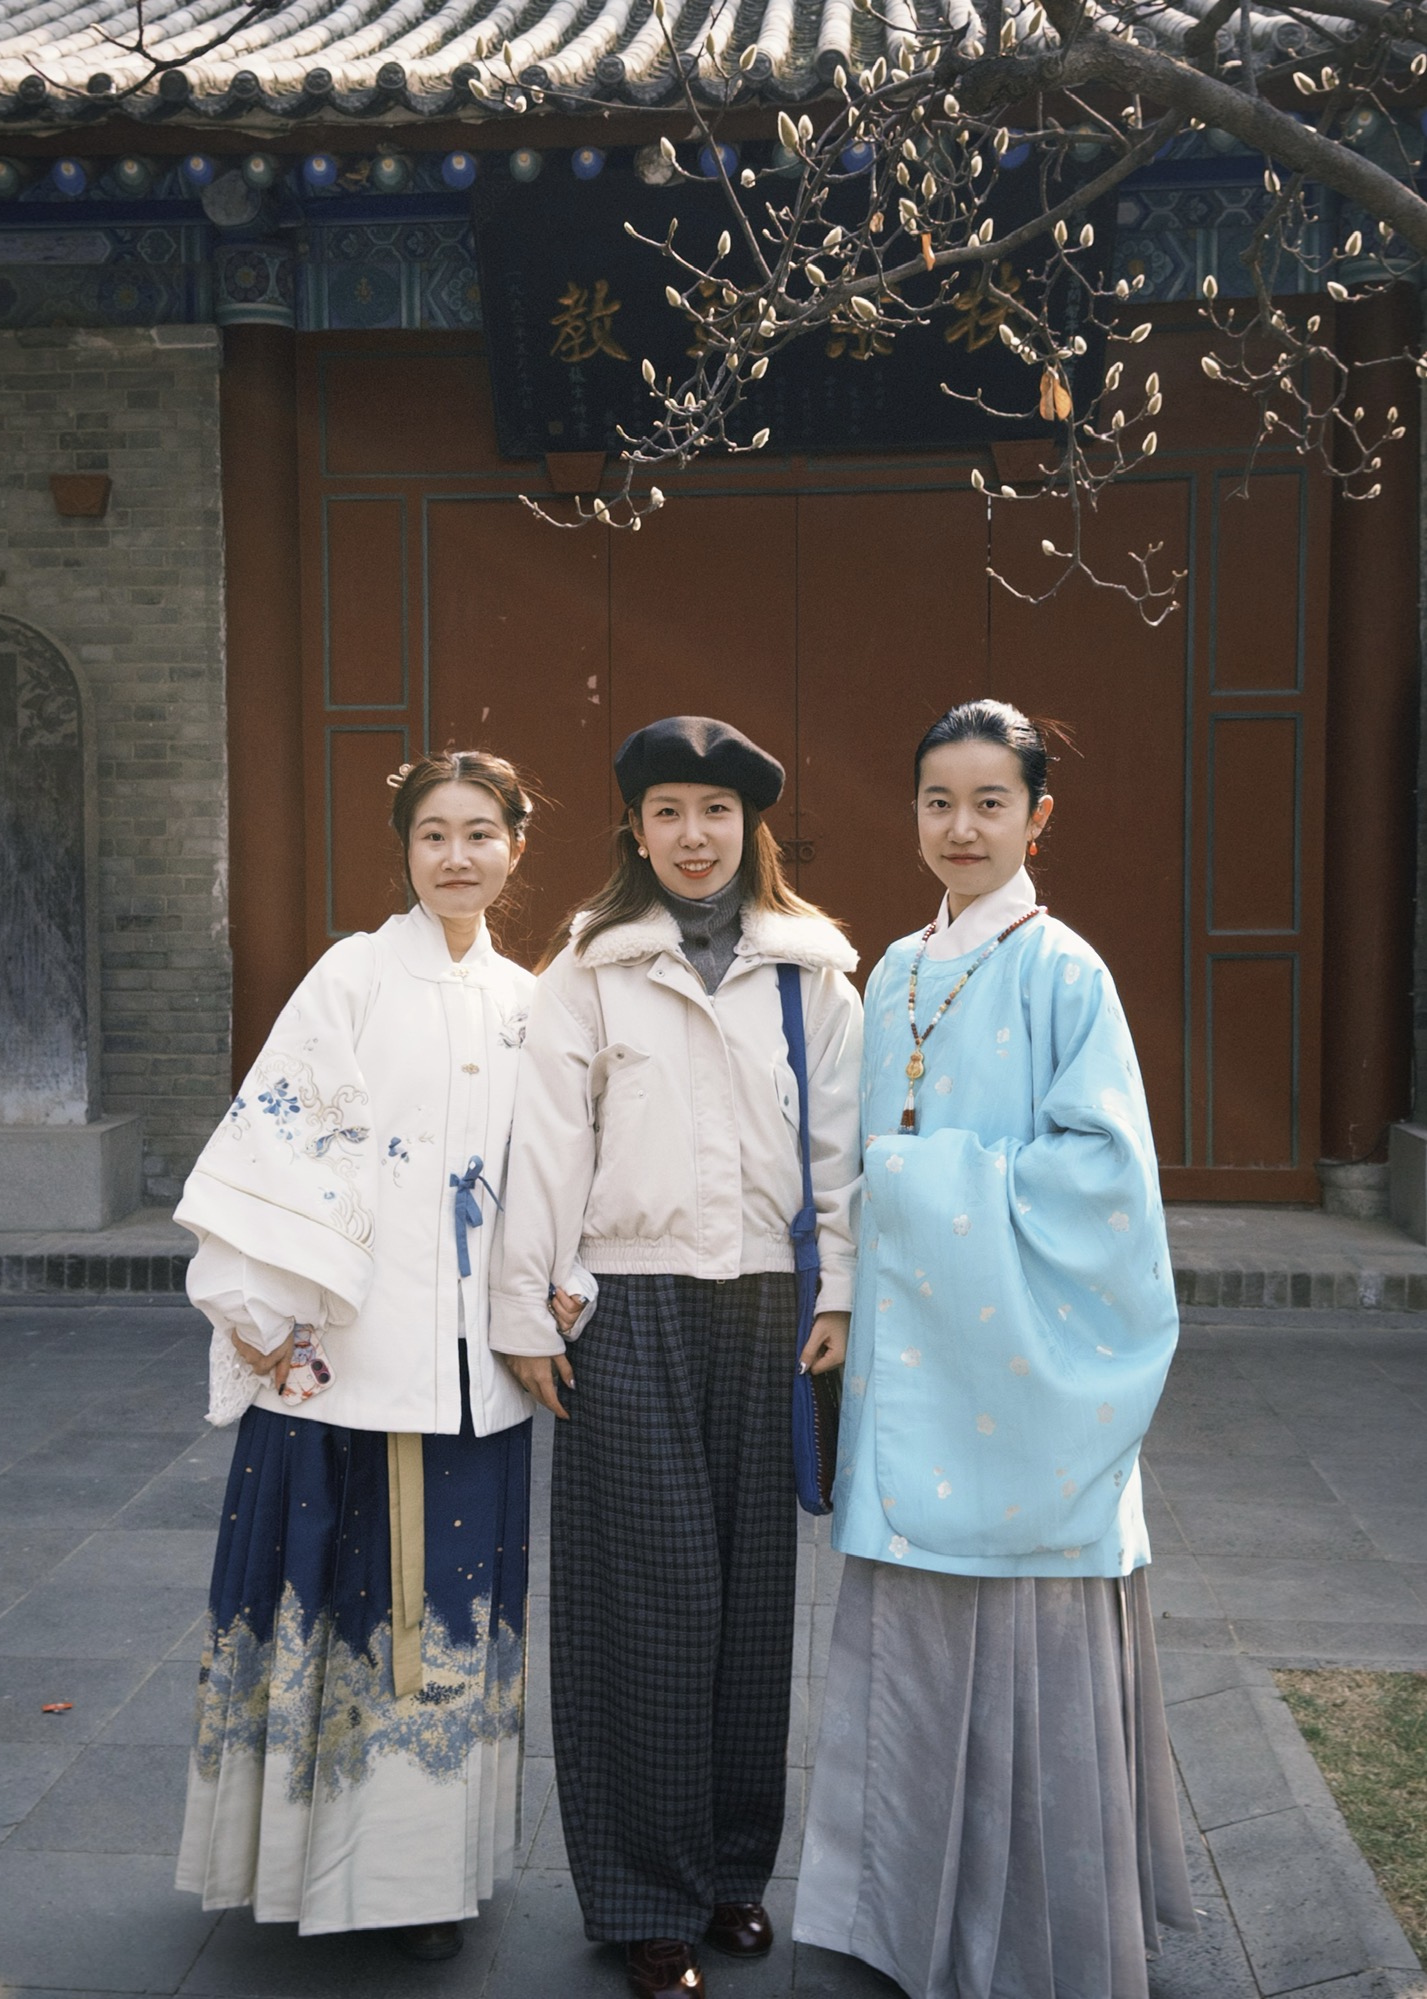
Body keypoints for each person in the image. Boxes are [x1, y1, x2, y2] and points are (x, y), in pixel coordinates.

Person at [793, 699, 1196, 1999]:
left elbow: (1105, 1182)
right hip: (909, 1363)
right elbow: (845, 1161)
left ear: (1036, 816)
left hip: (1018, 1380)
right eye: (935, 801)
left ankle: (1028, 1933)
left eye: (986, 801)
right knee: (908, 1643)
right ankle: (892, 1916)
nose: (958, 827)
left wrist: (922, 1187)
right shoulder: (893, 972)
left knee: (1021, 1634)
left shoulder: (1063, 971)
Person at [490, 716, 863, 1999]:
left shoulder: (813, 974)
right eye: (667, 812)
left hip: (768, 1308)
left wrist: (840, 1291)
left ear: (749, 827)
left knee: (753, 1607)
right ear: (634, 830)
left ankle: (729, 1875)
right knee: (646, 1606)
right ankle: (646, 1896)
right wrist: (524, 1313)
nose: (692, 837)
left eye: (715, 811)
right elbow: (545, 1147)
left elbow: (839, 1153)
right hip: (628, 1306)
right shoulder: (588, 968)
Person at [173, 750, 537, 1955]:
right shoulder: (353, 975)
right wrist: (273, 1314)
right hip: (350, 1350)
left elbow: (551, 1170)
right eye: (432, 833)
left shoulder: (528, 999)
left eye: (479, 832)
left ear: (515, 845)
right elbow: (283, 1135)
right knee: (353, 1605)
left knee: (449, 1618)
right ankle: (317, 1870)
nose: (455, 855)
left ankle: (422, 1880)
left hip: (474, 1366)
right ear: (405, 850)